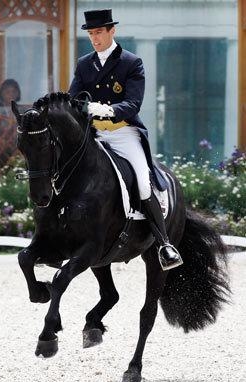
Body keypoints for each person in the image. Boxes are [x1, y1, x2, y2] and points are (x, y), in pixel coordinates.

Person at [68, 9, 182, 270]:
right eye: (91, 34)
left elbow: (133, 104)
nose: (94, 39)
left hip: (122, 132)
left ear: (111, 31)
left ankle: (164, 244)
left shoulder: (131, 62)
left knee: (143, 181)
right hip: (94, 133)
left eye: (98, 33)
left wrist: (109, 110)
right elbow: (74, 97)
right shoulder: (85, 63)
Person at [0, 78, 22, 171]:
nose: (11, 94)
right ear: (2, 94)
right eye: (7, 92)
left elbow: (26, 130)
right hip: (0, 147)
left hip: (18, 146)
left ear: (18, 94)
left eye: (13, 92)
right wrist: (0, 141)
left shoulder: (22, 110)